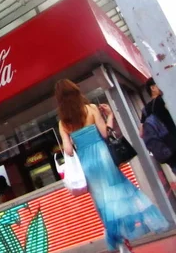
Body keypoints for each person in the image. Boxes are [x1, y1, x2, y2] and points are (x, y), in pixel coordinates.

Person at [56, 79, 168, 253]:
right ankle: (127, 235)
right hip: (103, 155)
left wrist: (73, 140)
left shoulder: (63, 122)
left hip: (87, 162)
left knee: (102, 201)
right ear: (76, 92)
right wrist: (110, 116)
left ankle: (120, 242)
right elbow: (105, 134)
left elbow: (69, 150)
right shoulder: (91, 109)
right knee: (119, 193)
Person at [140, 77, 176, 173]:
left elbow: (141, 133)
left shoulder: (145, 110)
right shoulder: (163, 100)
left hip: (166, 150)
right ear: (153, 88)